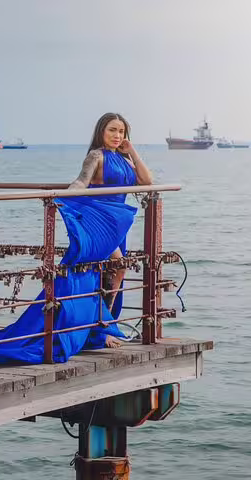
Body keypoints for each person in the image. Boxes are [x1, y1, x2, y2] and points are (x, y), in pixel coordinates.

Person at [68, 113, 153, 348]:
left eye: (122, 132)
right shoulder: (96, 156)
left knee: (110, 272)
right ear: (101, 132)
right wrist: (63, 196)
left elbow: (146, 181)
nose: (117, 136)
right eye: (112, 130)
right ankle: (101, 330)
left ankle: (104, 327)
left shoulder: (124, 160)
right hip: (99, 219)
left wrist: (132, 151)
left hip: (118, 223)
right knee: (118, 267)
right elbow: (81, 182)